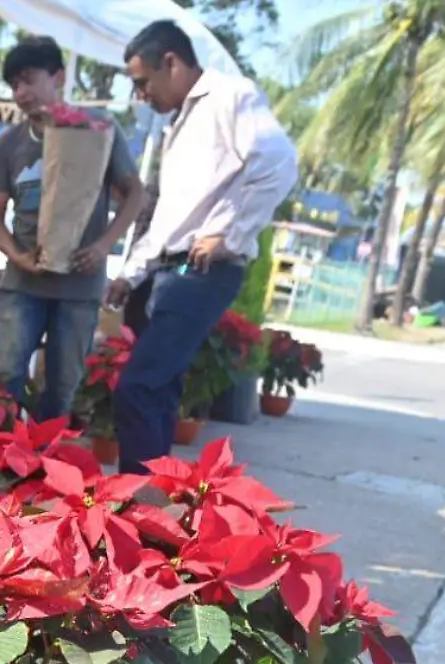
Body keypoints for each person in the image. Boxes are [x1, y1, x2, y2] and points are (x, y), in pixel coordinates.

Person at [106, 20, 299, 473]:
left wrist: (229, 232)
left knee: (139, 386)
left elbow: (280, 165)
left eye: (142, 82)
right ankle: (156, 505)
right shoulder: (180, 123)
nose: (141, 95)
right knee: (161, 387)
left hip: (204, 270)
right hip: (169, 270)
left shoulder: (231, 97)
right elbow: (170, 218)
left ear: (170, 62)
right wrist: (130, 274)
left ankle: (140, 502)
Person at [0, 36, 147, 422]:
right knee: (5, 378)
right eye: (14, 85)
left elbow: (134, 194)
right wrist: (17, 256)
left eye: (27, 79)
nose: (20, 93)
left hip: (80, 286)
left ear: (57, 76)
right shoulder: (10, 144)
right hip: (21, 285)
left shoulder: (99, 130)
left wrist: (105, 244)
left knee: (62, 386)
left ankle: (45, 468)